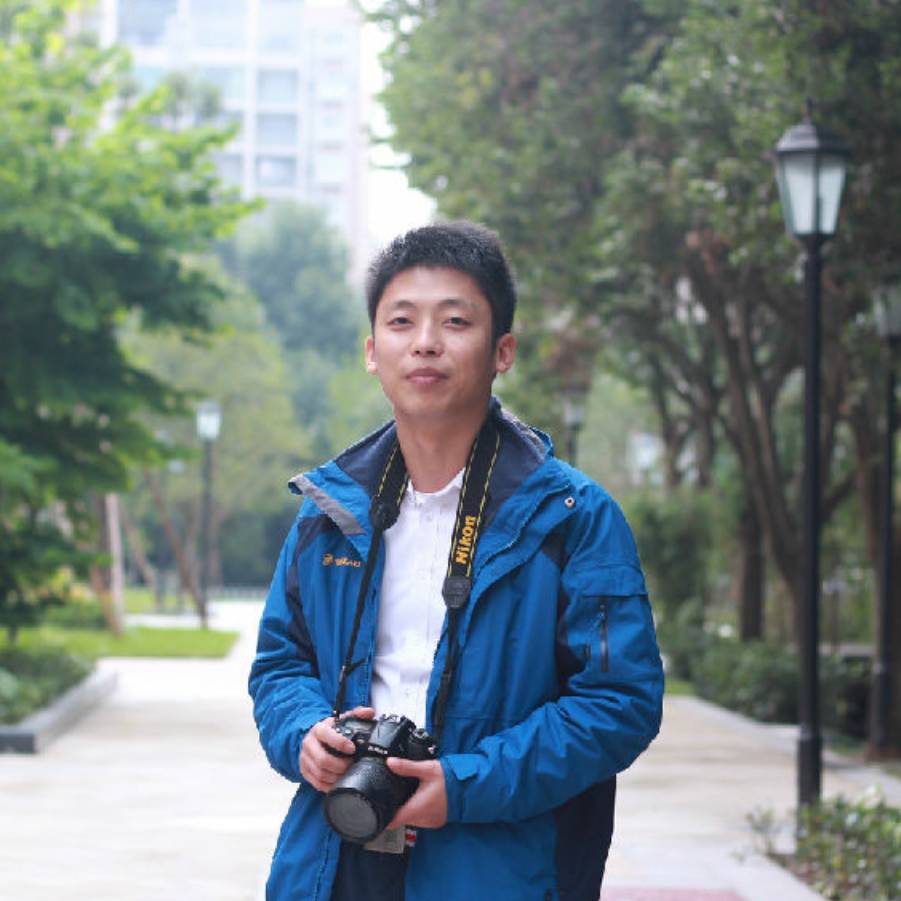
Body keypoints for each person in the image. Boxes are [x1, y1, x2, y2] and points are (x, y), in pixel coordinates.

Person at [249, 221, 664, 901]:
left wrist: (464, 784)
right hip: (336, 850)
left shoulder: (573, 518)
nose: (425, 342)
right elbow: (280, 664)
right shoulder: (328, 513)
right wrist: (303, 735)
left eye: (455, 321)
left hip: (498, 865)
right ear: (371, 351)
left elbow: (619, 703)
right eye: (401, 321)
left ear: (502, 350)